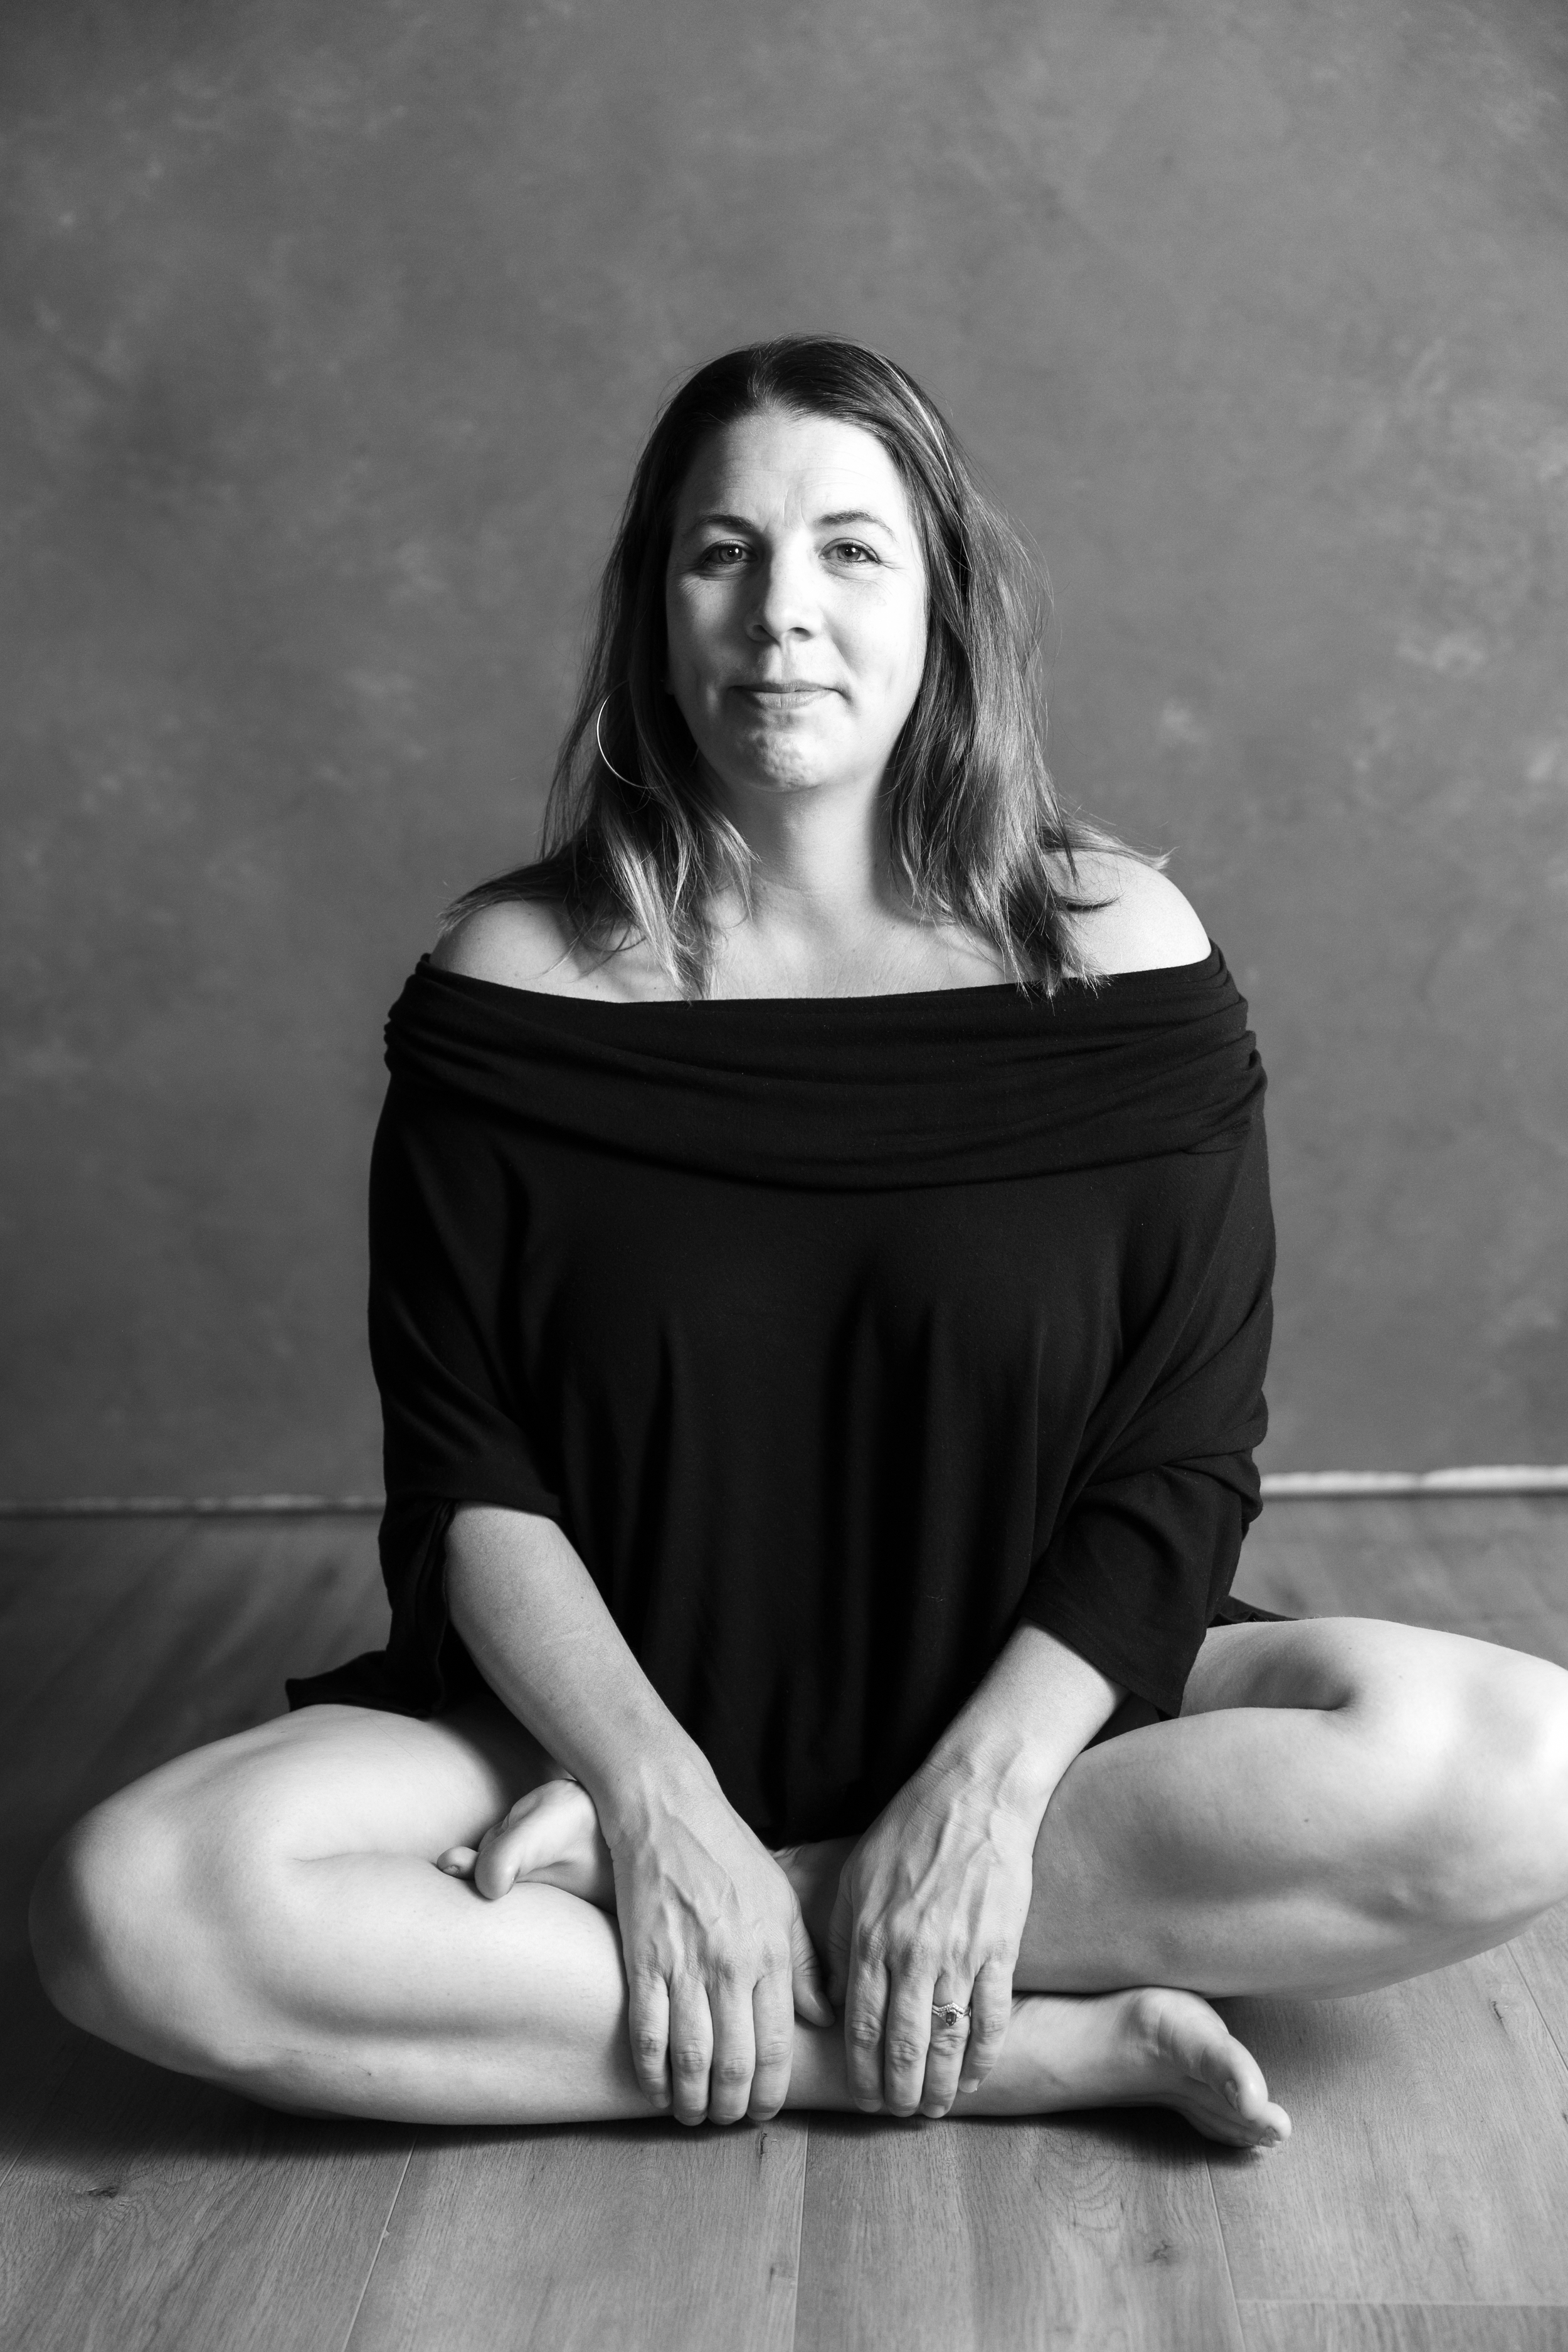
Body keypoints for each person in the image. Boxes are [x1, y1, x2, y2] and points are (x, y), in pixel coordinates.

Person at [30, 339, 1568, 2151]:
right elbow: (471, 1474)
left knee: (1525, 1770)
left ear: (943, 605)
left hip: (1037, 1721)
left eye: (848, 550)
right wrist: (650, 1793)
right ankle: (979, 2039)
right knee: (127, 1905)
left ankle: (788, 1907)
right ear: (652, 609)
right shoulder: (506, 988)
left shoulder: (1125, 960)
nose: (781, 614)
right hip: (590, 1731)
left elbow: (1180, 1449)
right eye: (720, 553)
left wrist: (984, 1806)